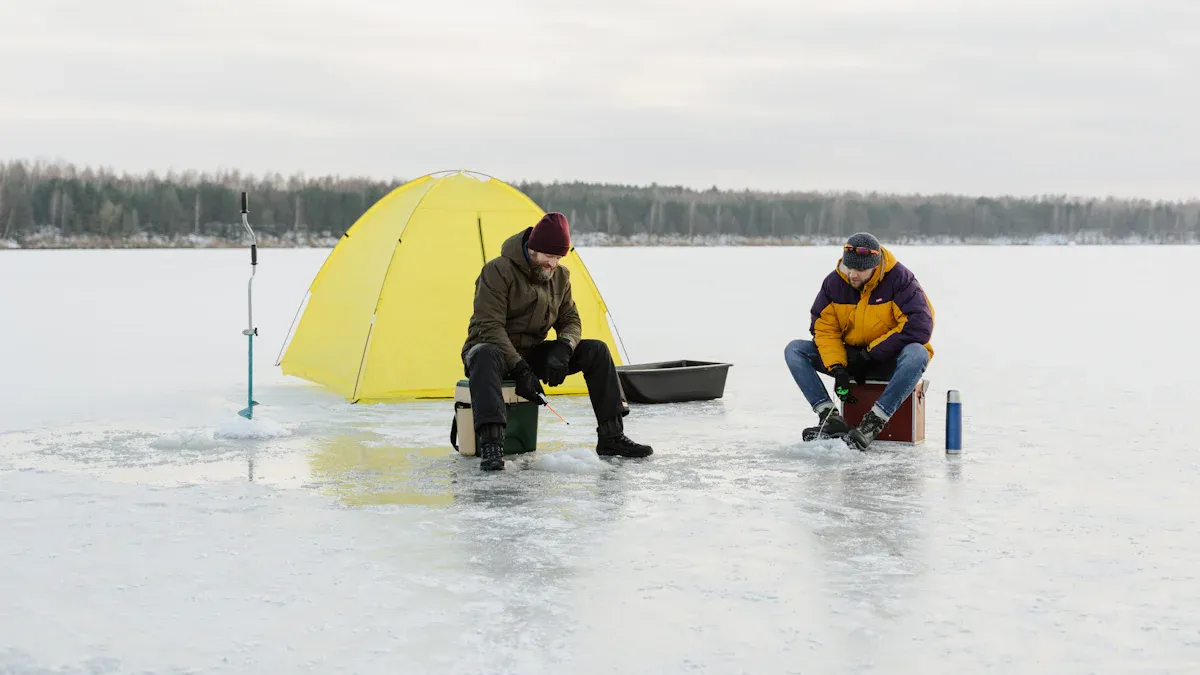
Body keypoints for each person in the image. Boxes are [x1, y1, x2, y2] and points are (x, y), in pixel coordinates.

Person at [461, 212, 653, 470]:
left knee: (596, 350)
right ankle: (492, 447)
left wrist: (564, 346)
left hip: (530, 353)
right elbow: (490, 327)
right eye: (549, 257)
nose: (553, 264)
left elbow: (571, 319)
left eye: (558, 258)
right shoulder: (497, 271)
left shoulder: (560, 277)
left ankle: (612, 436)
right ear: (533, 249)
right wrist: (519, 368)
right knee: (484, 354)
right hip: (491, 351)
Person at [784, 232, 934, 450]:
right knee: (795, 350)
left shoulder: (900, 280)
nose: (852, 275)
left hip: (890, 360)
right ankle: (829, 416)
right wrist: (838, 368)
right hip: (853, 359)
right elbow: (824, 329)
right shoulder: (834, 283)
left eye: (860, 270)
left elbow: (919, 325)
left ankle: (873, 423)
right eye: (849, 268)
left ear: (875, 266)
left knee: (918, 353)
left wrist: (871, 353)